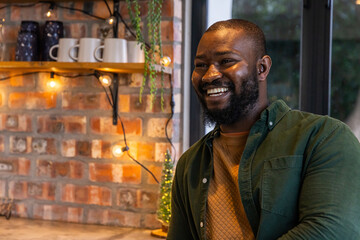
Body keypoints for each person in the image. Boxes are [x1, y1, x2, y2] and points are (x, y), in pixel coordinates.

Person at [167, 19, 360, 240]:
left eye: (226, 61)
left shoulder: (324, 137)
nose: (210, 75)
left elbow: (333, 230)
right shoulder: (190, 164)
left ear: (262, 68)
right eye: (200, 65)